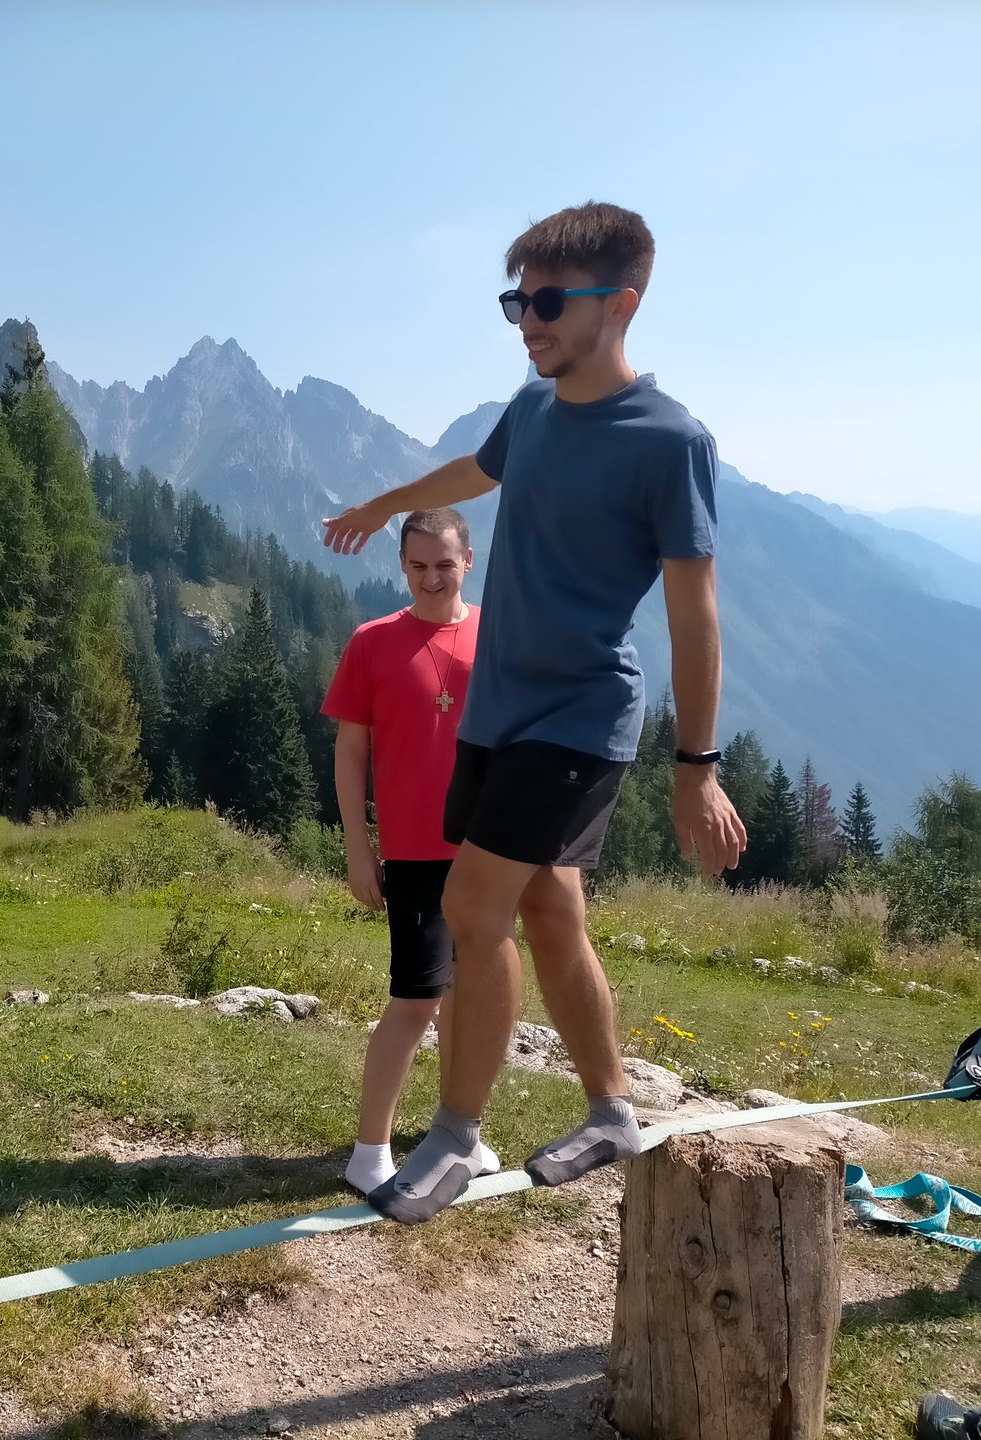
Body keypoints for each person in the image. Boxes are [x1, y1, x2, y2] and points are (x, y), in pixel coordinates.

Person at [321, 202, 746, 1224]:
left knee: (472, 910)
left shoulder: (670, 439)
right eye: (517, 302)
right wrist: (385, 505)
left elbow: (695, 616)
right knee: (551, 911)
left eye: (548, 302)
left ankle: (454, 1139)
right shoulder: (534, 410)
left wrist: (698, 768)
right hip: (499, 715)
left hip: (578, 715)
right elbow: (476, 470)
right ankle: (611, 1110)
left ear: (621, 304)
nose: (527, 321)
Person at [321, 508, 499, 1194]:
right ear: (401, 564)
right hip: (415, 853)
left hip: (488, 850)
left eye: (444, 565)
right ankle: (369, 1153)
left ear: (467, 562)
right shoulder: (372, 642)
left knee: (471, 998)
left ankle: (459, 1134)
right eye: (418, 565)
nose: (431, 578)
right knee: (416, 1000)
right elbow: (351, 752)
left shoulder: (495, 636)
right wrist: (358, 848)